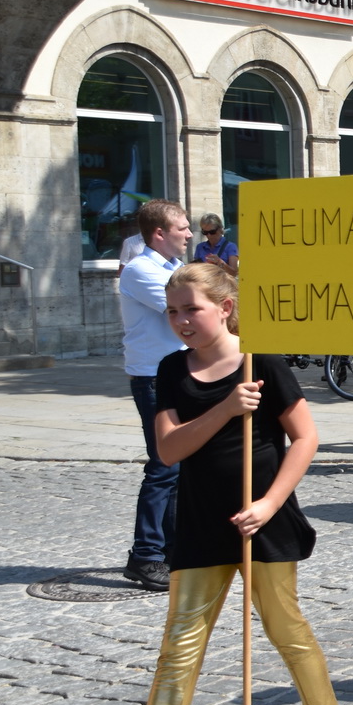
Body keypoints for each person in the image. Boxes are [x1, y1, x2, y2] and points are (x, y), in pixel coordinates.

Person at [70, 264, 346, 705]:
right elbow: (169, 450)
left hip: (262, 522)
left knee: (284, 628)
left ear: (224, 306)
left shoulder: (260, 359)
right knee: (180, 645)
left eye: (190, 309)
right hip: (198, 524)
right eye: (172, 311)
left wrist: (268, 504)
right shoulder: (173, 370)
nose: (180, 321)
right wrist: (225, 407)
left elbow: (306, 438)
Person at [118, 199, 193, 591]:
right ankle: (145, 556)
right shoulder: (140, 270)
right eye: (182, 227)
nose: (190, 234)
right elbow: (188, 307)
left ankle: (172, 550)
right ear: (159, 233)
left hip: (179, 376)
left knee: (179, 468)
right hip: (153, 379)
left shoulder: (176, 270)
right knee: (164, 466)